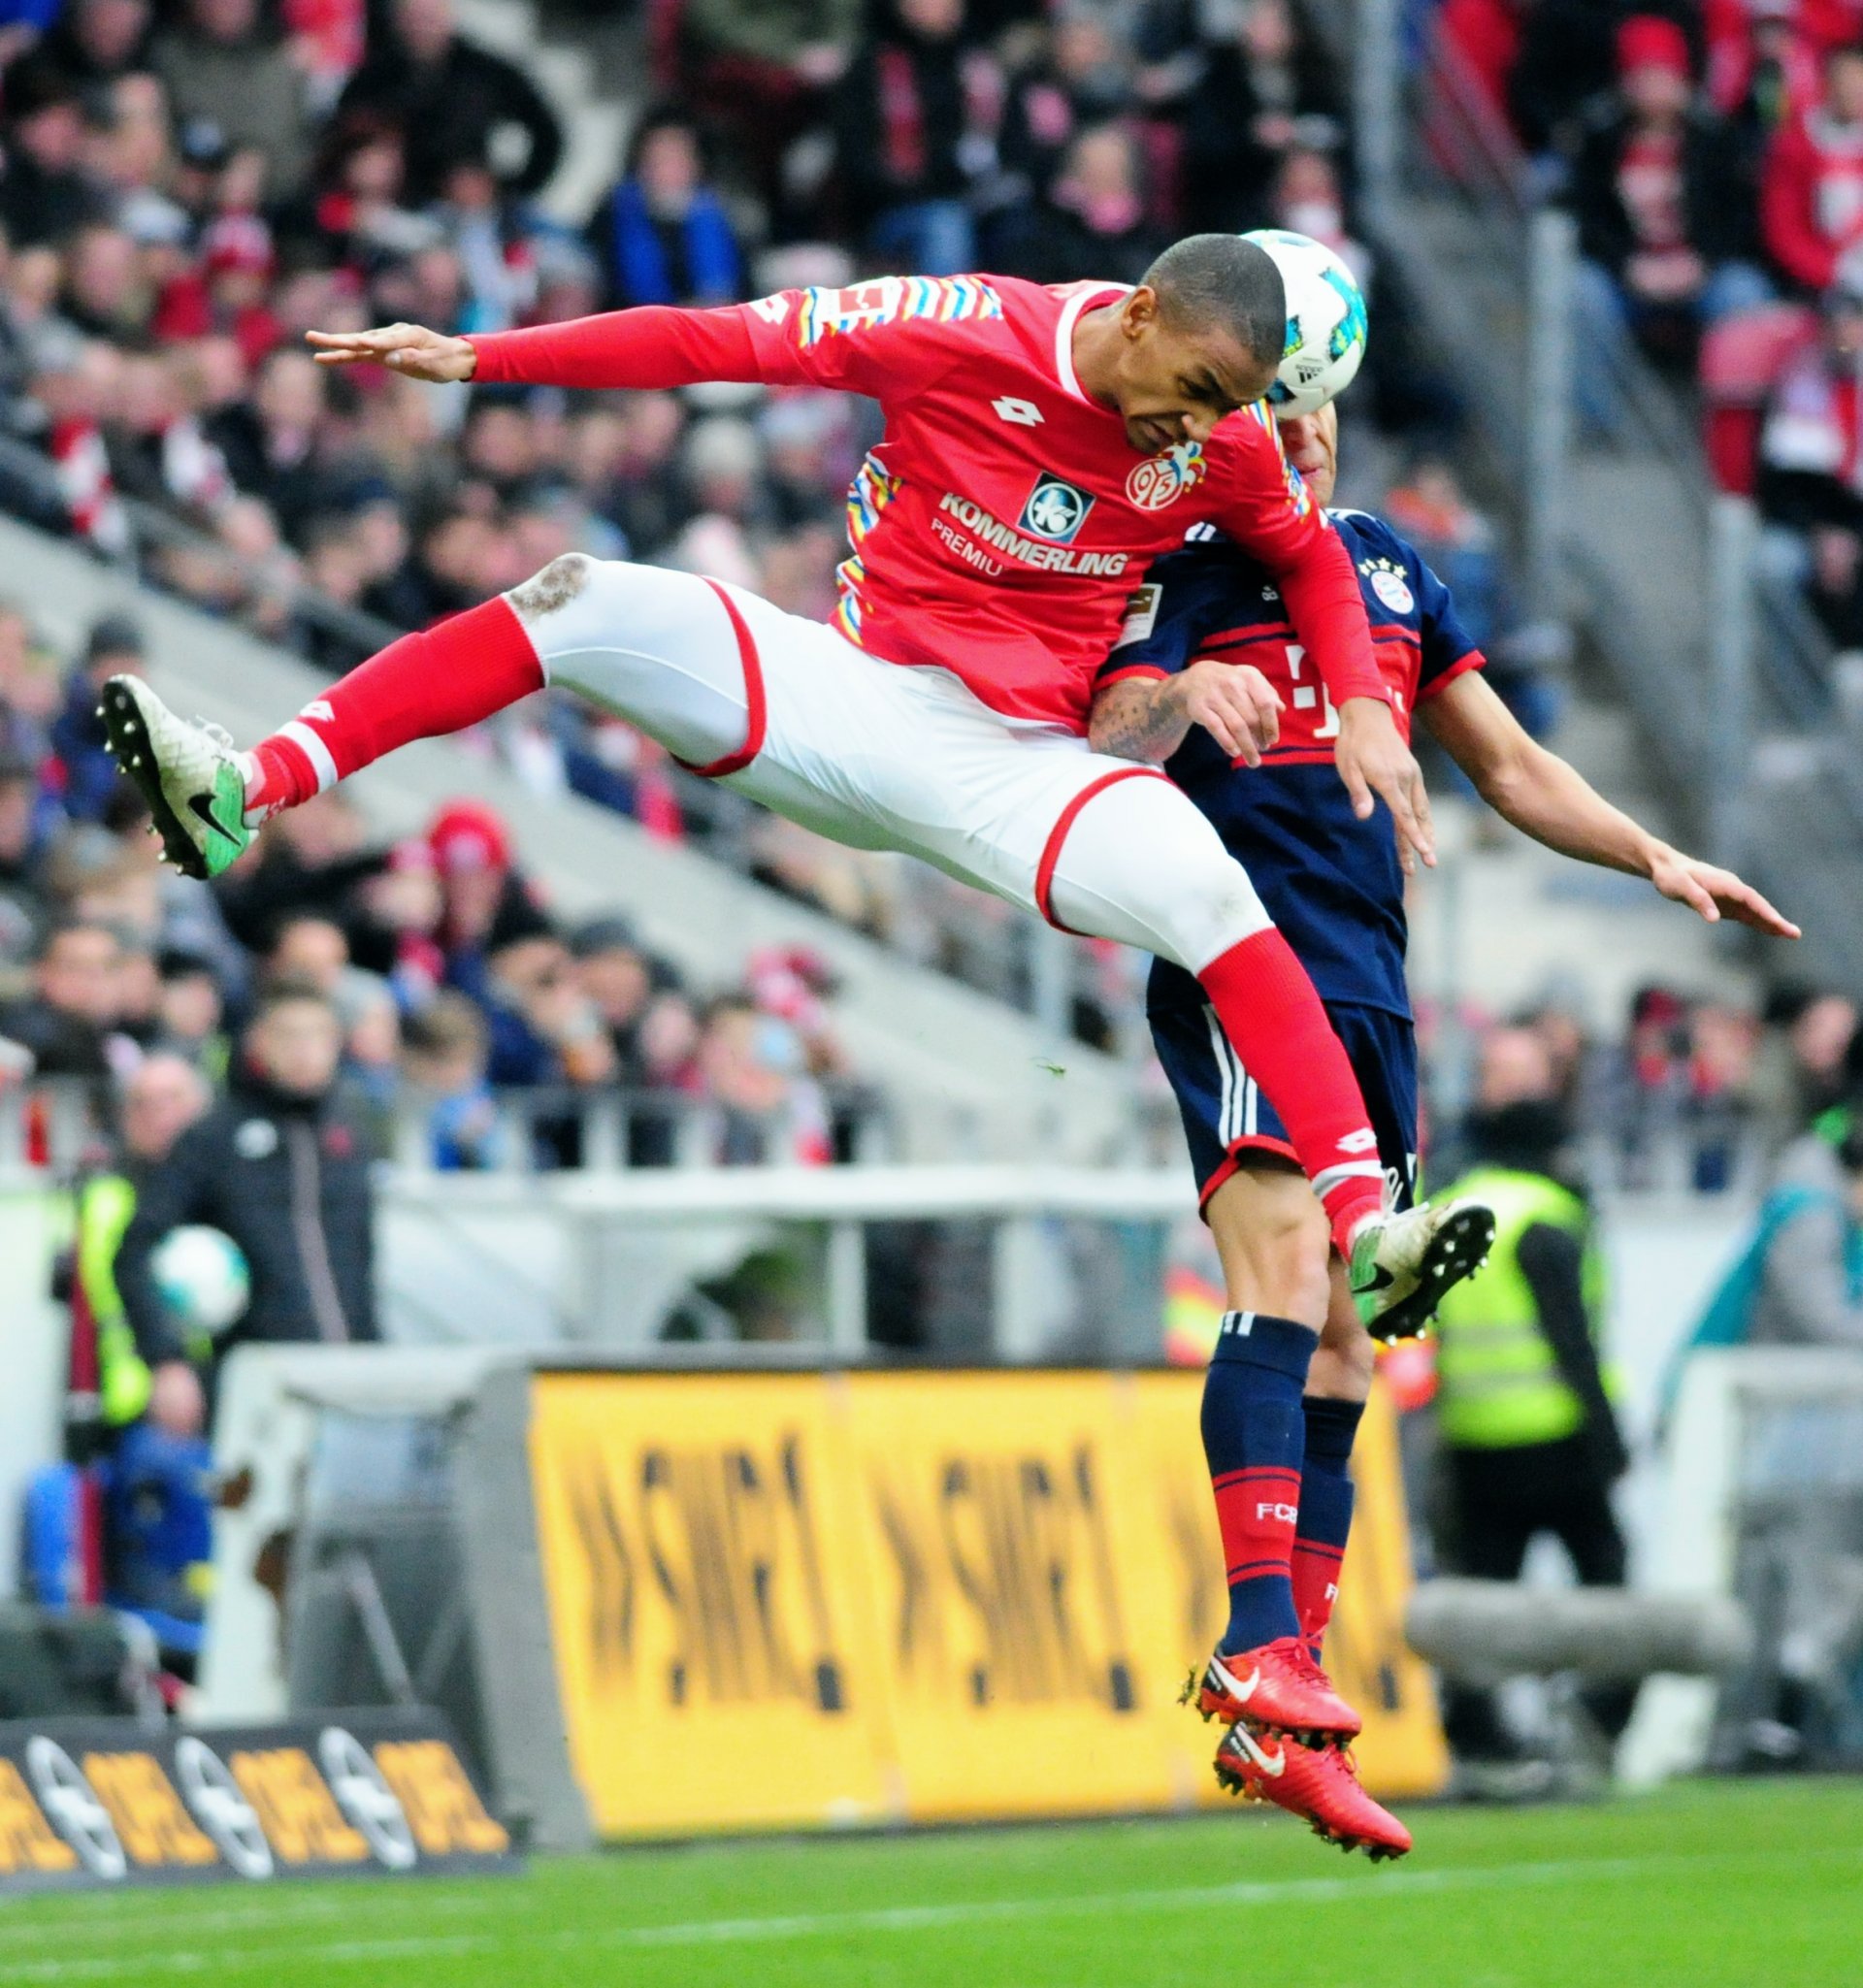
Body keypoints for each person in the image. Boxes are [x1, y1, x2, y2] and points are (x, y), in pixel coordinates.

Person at [104, 240, 1497, 1408]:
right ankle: (244, 790)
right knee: (581, 598)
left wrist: (1365, 708)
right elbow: (711, 340)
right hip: (853, 699)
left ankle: (1371, 1231)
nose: (1197, 431)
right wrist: (485, 357)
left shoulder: (1227, 436)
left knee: (1209, 888)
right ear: (1136, 316)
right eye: (1191, 393)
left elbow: (1310, 556)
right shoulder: (960, 325)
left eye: (1226, 409)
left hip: (1018, 766)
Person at [1092, 392, 1796, 1855]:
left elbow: (1514, 765)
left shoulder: (1388, 568)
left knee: (1352, 1336)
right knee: (1286, 1271)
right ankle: (1259, 1644)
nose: (1302, 437)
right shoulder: (1184, 556)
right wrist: (1182, 696)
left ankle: (1289, 1705)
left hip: (1373, 992)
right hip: (1241, 957)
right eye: (1272, 409)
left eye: (1318, 410)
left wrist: (1654, 855)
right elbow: (1103, 727)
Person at [1429, 1027, 1638, 1776]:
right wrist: (1609, 1438)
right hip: (1555, 1438)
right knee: (1609, 1583)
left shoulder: (1448, 1206)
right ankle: (1601, 1715)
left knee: (1482, 1599)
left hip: (1472, 1437)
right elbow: (1571, 1339)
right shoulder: (1545, 1213)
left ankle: (1474, 1732)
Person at [114, 981, 379, 1439]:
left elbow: (362, 1263)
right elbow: (135, 1250)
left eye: (318, 1035)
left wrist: (376, 1353)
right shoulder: (214, 1138)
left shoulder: (348, 1138)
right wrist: (167, 1361)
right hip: (255, 1384)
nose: (304, 1050)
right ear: (259, 1042)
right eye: (289, 1035)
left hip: (354, 1379)